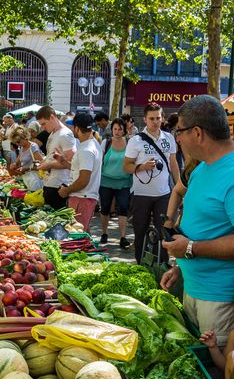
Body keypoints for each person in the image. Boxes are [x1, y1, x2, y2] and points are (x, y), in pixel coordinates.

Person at [160, 95, 234, 346]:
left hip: (218, 298)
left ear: (198, 133)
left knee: (217, 375)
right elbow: (208, 227)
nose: (177, 138)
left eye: (179, 131)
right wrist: (181, 266)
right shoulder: (201, 168)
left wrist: (190, 249)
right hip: (194, 288)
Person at [123, 102, 180, 264]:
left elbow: (174, 164)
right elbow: (126, 166)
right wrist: (142, 167)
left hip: (163, 194)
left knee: (163, 232)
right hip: (141, 195)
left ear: (163, 118)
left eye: (158, 118)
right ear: (145, 119)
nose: (155, 121)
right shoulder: (136, 140)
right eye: (152, 118)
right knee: (140, 232)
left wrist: (179, 188)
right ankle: (141, 265)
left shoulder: (169, 138)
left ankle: (161, 266)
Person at [58, 113, 102, 232]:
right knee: (82, 233)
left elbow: (83, 180)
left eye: (73, 127)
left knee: (77, 235)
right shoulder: (93, 145)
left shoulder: (86, 150)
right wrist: (63, 161)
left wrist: (66, 191)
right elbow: (80, 169)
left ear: (77, 128)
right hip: (84, 197)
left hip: (82, 198)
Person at [98, 118, 132, 248]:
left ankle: (123, 237)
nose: (117, 132)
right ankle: (104, 233)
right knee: (105, 208)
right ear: (112, 129)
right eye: (115, 129)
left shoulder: (129, 143)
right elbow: (99, 161)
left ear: (124, 130)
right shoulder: (106, 143)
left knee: (123, 209)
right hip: (106, 181)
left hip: (124, 182)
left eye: (120, 129)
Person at [35, 105, 76, 209]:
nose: (43, 127)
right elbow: (53, 156)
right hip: (50, 183)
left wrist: (48, 165)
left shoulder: (65, 134)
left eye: (44, 123)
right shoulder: (53, 133)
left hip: (59, 185)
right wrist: (44, 162)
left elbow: (70, 162)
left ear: (52, 117)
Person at [9, 126, 44, 191]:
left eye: (18, 141)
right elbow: (18, 162)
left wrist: (27, 168)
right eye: (16, 143)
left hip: (35, 179)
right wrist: (14, 165)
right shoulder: (22, 148)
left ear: (24, 137)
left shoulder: (33, 147)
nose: (17, 144)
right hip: (27, 178)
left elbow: (41, 165)